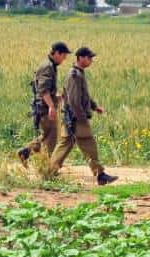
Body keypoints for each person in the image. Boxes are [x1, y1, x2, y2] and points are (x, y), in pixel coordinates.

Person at [49, 47, 118, 185]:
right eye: (89, 57)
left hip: (73, 118)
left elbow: (83, 96)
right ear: (80, 58)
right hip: (76, 118)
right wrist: (81, 118)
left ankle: (49, 172)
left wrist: (94, 106)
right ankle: (100, 175)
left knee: (65, 145)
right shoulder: (75, 75)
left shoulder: (78, 73)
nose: (91, 60)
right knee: (89, 144)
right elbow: (74, 100)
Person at [17, 41, 72, 166]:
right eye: (63, 56)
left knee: (46, 136)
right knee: (51, 138)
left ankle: (25, 152)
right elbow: (43, 89)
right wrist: (51, 106)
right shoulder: (47, 66)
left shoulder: (50, 66)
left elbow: (46, 90)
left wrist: (57, 97)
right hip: (44, 108)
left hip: (44, 106)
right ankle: (47, 168)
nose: (64, 59)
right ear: (57, 53)